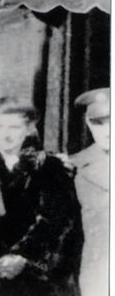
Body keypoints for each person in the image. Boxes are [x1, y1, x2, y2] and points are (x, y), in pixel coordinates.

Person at [0, 97, 83, 296]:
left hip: (35, 281)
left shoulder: (51, 168)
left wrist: (24, 257)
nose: (6, 134)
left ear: (29, 128)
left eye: (14, 127)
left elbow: (61, 222)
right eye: (0, 126)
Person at [71, 87, 109, 296]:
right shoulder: (74, 167)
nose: (107, 130)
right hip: (97, 278)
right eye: (98, 122)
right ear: (87, 123)